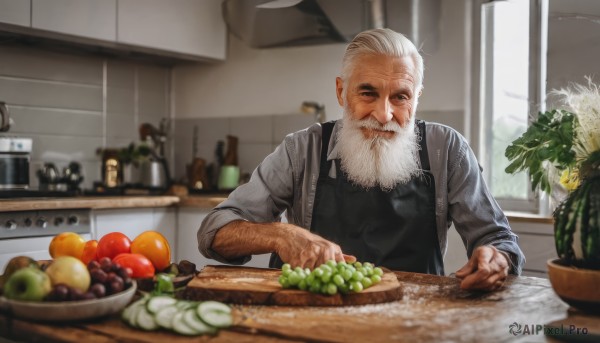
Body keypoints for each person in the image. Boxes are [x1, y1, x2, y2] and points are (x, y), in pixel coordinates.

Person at [198, 28, 525, 291]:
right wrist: (281, 235)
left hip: (417, 319)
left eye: (400, 97)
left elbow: (499, 242)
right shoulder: (303, 149)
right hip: (311, 313)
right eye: (368, 93)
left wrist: (495, 258)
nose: (384, 115)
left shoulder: (448, 149)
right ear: (342, 92)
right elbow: (214, 232)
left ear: (416, 98)